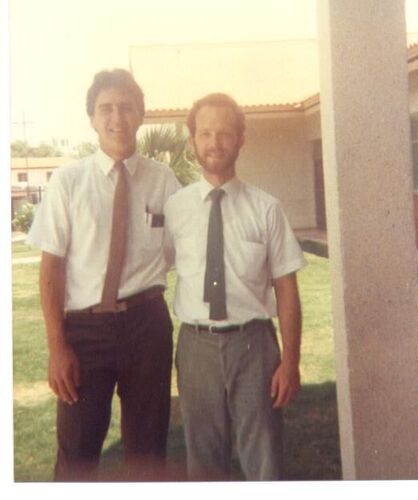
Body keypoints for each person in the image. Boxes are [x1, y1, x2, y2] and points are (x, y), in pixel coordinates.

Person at [27, 69, 179, 481]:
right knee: (77, 454)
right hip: (84, 331)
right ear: (92, 118)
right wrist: (57, 346)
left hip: (147, 326)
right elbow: (51, 268)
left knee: (147, 453)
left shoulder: (163, 181)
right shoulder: (68, 182)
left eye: (126, 108)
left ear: (141, 115)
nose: (117, 118)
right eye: (106, 109)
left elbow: (187, 249)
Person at [164, 93, 307, 481]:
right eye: (205, 133)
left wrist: (290, 361)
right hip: (196, 348)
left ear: (241, 140)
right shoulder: (175, 208)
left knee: (264, 461)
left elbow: (287, 289)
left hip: (254, 346)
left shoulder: (266, 209)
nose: (215, 143)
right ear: (192, 140)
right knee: (204, 463)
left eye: (225, 133)